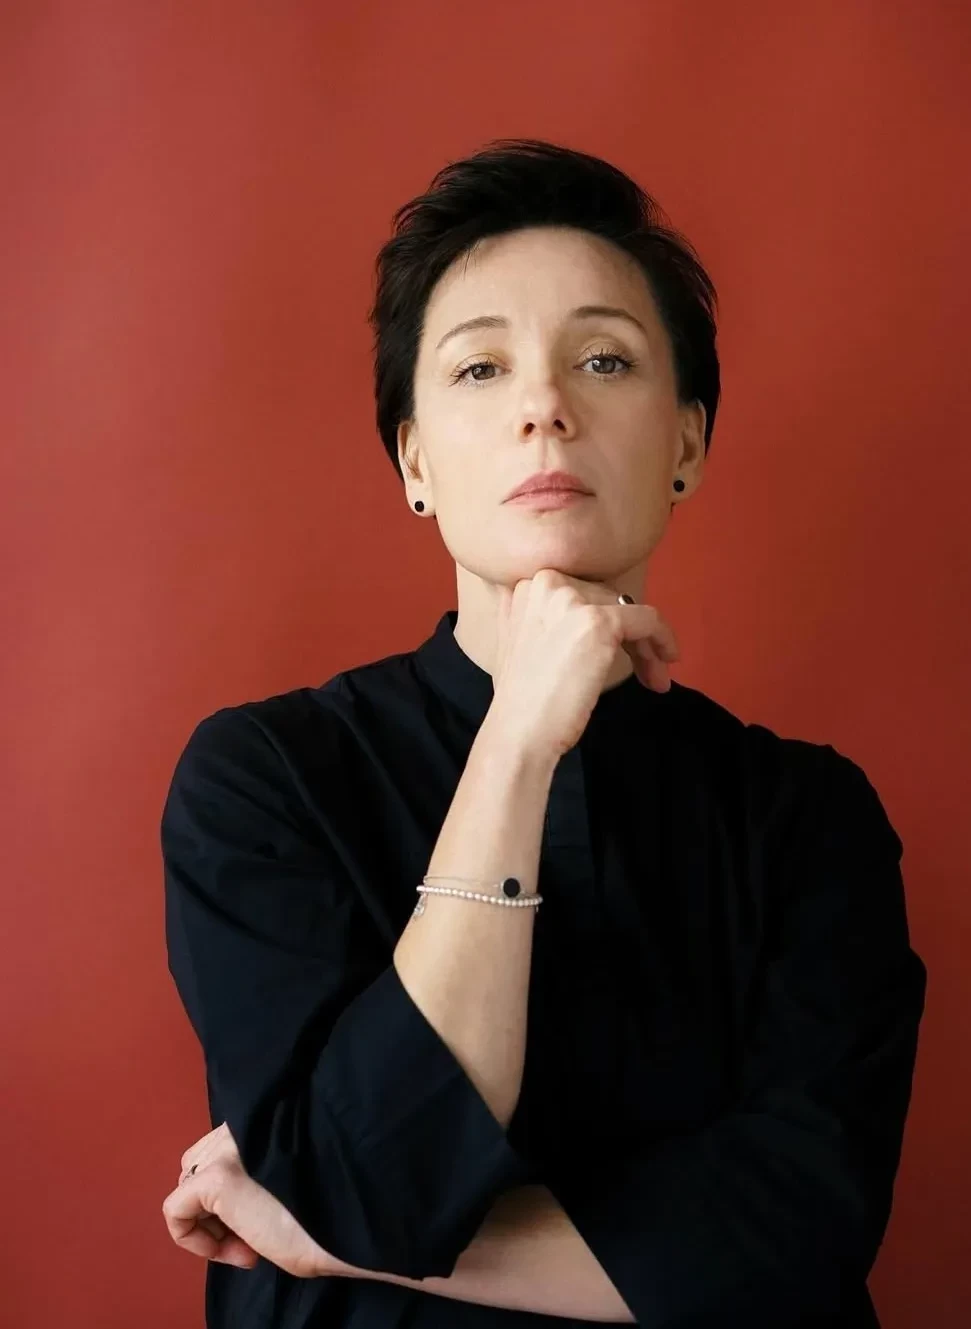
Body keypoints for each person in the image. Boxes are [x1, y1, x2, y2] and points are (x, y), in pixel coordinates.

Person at [160, 137, 927, 1329]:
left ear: (686, 444)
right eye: (480, 369)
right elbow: (374, 1181)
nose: (545, 409)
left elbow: (797, 1238)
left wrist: (330, 1238)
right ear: (415, 461)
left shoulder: (806, 816)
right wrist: (518, 736)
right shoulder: (265, 779)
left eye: (604, 359)